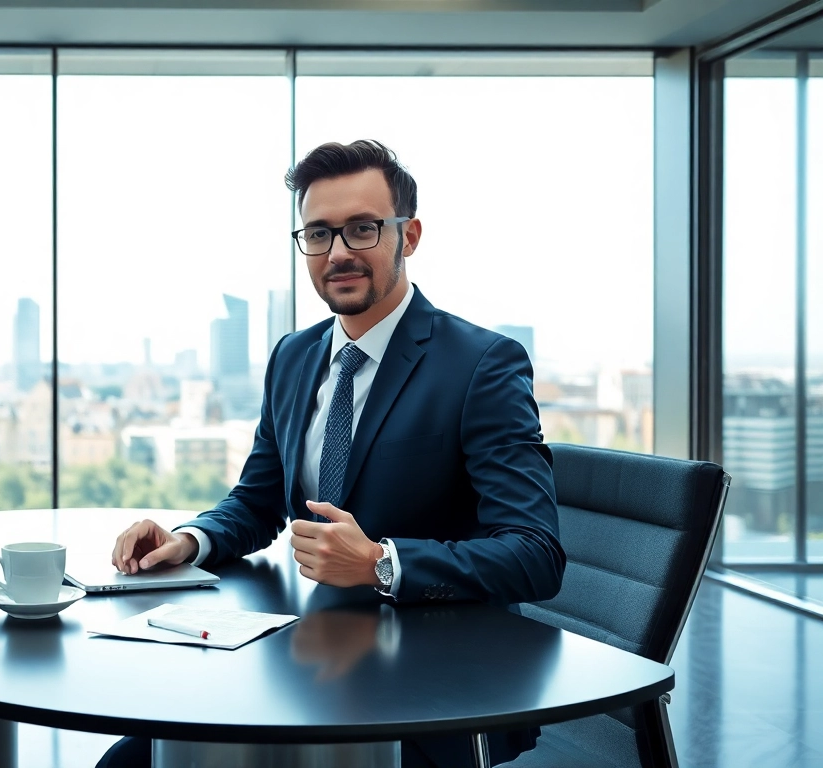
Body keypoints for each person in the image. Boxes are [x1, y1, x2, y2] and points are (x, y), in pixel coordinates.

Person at [98, 139, 566, 768]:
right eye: (318, 234)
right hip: (302, 661)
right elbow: (259, 500)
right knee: (134, 761)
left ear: (410, 235)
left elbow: (535, 554)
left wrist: (381, 563)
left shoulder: (481, 365)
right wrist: (190, 540)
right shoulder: (294, 356)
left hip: (429, 696)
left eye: (363, 229)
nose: (338, 252)